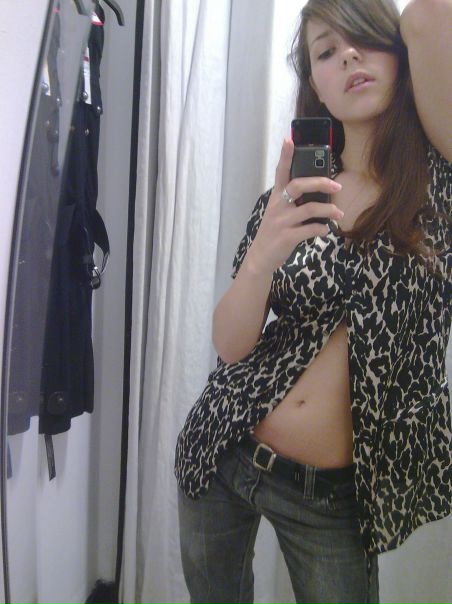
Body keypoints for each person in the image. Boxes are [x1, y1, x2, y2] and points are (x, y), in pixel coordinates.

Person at [175, 0, 452, 602]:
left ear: (401, 55)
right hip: (225, 446)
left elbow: (434, 15)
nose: (347, 55)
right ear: (316, 87)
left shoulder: (440, 186)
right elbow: (230, 346)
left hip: (333, 496)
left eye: (364, 39)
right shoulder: (293, 196)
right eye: (326, 51)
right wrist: (262, 255)